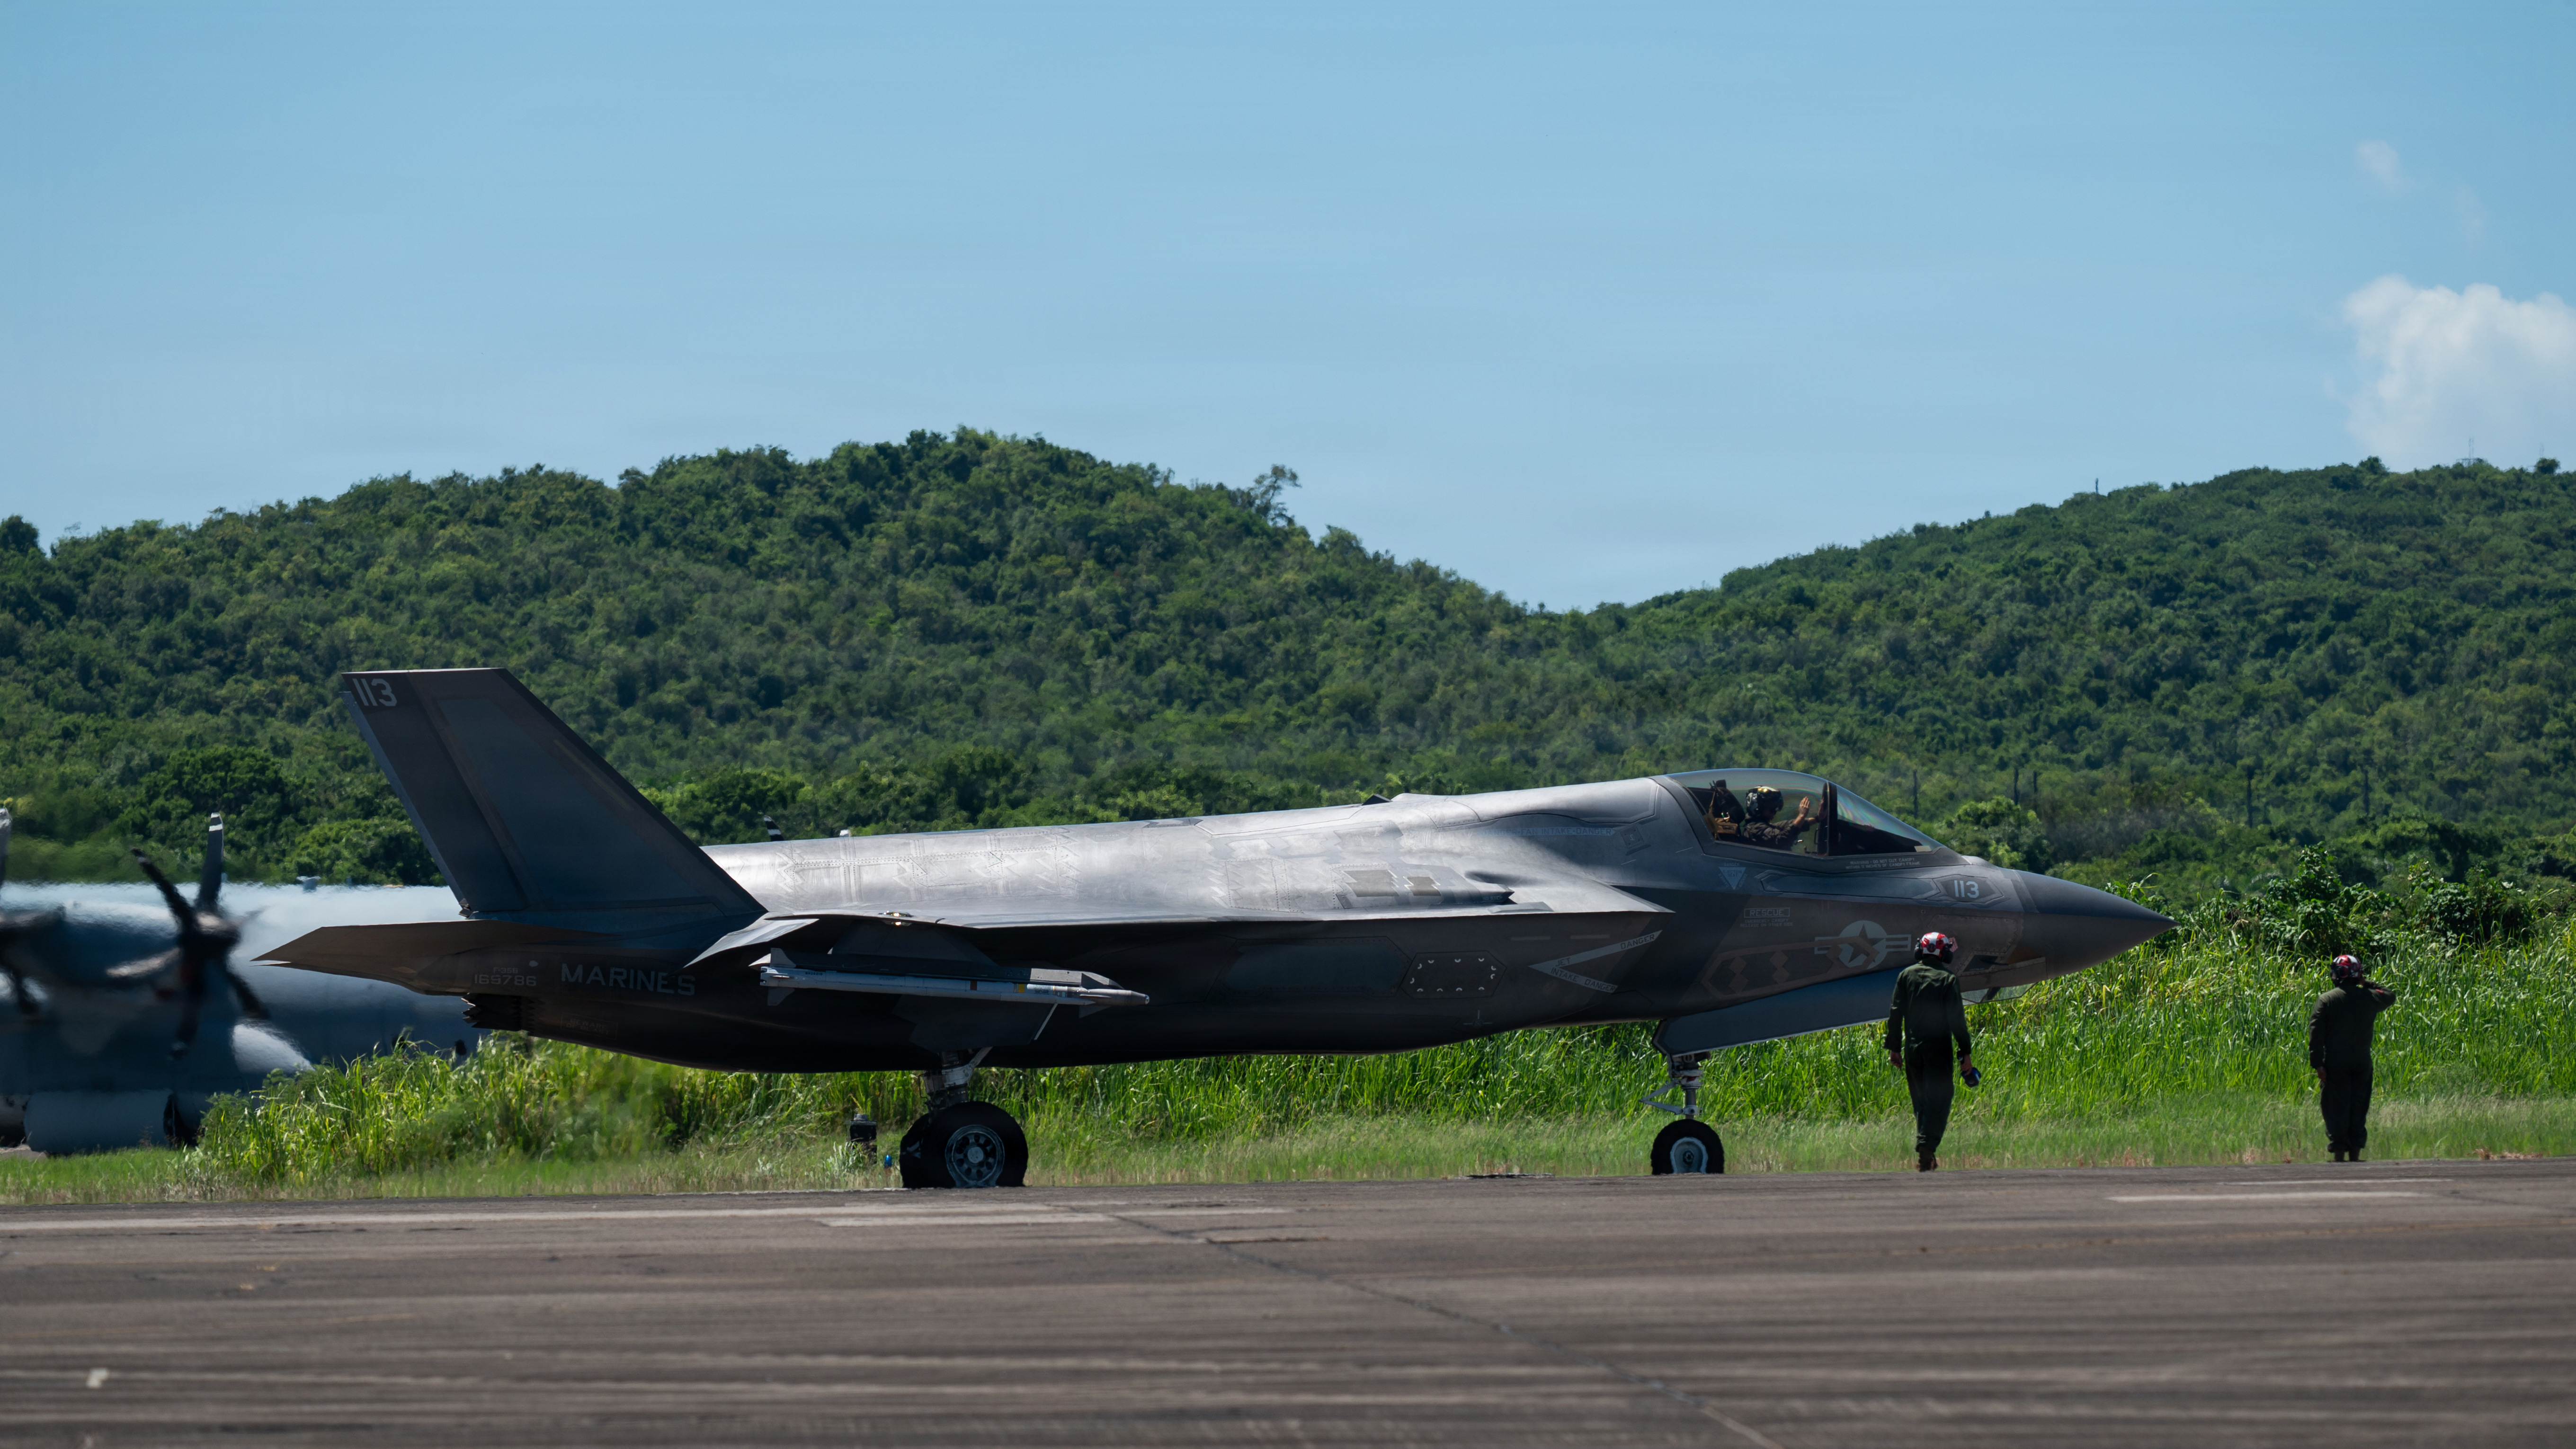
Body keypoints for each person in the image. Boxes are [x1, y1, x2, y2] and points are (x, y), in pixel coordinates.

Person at [1885, 931, 1977, 1171]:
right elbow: (1957, 1019)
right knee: (1940, 1098)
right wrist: (1965, 1051)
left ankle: (1928, 1154)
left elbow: (1896, 1013)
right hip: (1938, 1049)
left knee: (1921, 1102)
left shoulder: (1906, 976)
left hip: (1913, 1049)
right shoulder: (1948, 979)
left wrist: (1895, 1049)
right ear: (1943, 953)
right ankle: (1926, 1149)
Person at [2311, 953, 2396, 1163]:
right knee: (2359, 1105)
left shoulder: (2327, 999)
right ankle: (2356, 1152)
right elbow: (2389, 994)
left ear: (2338, 975)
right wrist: (2365, 983)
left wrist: (2318, 1064)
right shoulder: (2370, 997)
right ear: (2357, 975)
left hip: (2336, 1062)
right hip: (2362, 1061)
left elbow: (2316, 1035)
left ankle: (2339, 1154)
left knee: (2335, 1107)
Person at [1739, 786, 1817, 851]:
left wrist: (1818, 818)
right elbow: (1782, 840)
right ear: (1756, 807)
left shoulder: (1761, 825)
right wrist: (1801, 816)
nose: (1775, 811)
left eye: (1777, 807)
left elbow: (1790, 825)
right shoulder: (1755, 829)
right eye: (1772, 807)